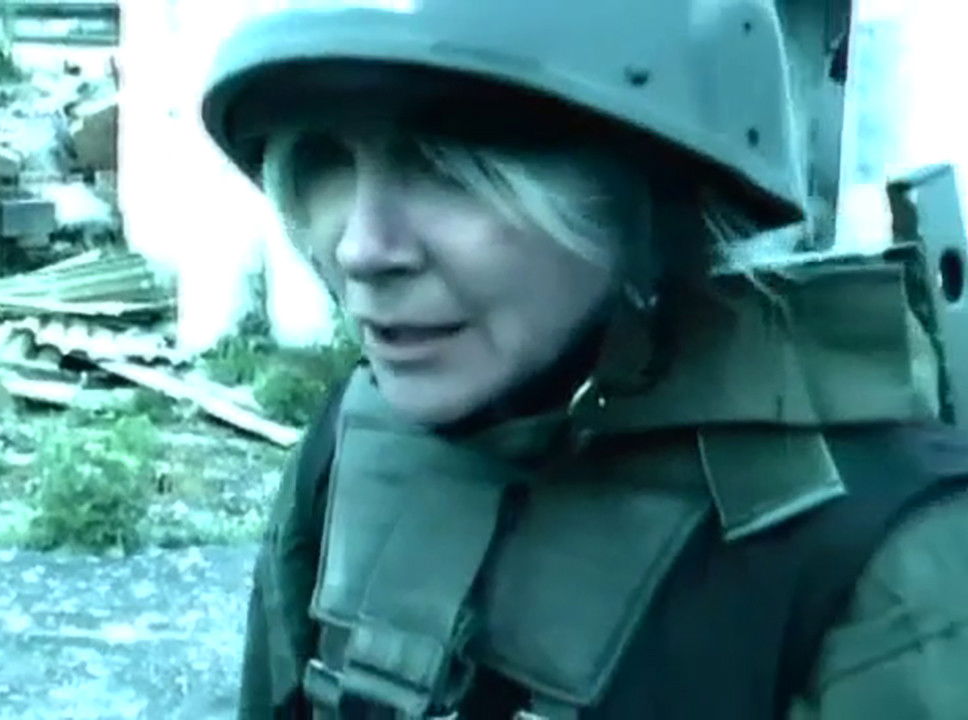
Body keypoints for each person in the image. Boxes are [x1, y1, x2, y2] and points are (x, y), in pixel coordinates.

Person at [199, 1, 968, 717]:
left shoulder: (884, 552)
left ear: (642, 192)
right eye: (325, 159)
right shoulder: (359, 439)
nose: (362, 250)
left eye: (445, 168)